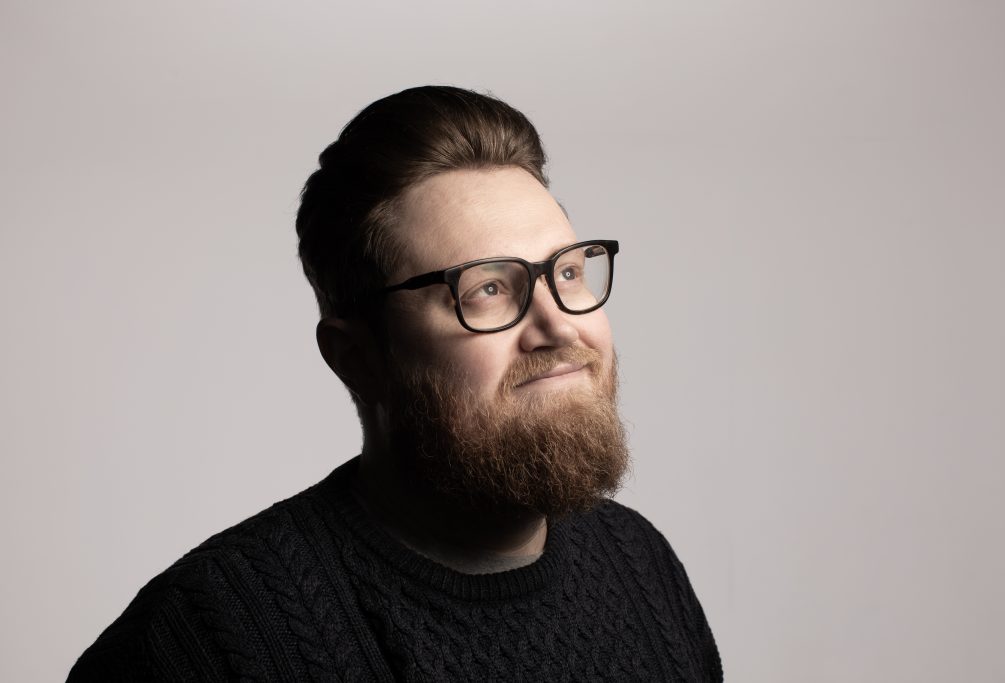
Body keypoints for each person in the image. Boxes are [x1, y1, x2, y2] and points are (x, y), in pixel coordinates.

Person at [69, 85, 723, 682]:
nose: (557, 326)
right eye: (490, 288)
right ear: (358, 356)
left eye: (570, 273)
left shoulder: (640, 567)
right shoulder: (201, 643)